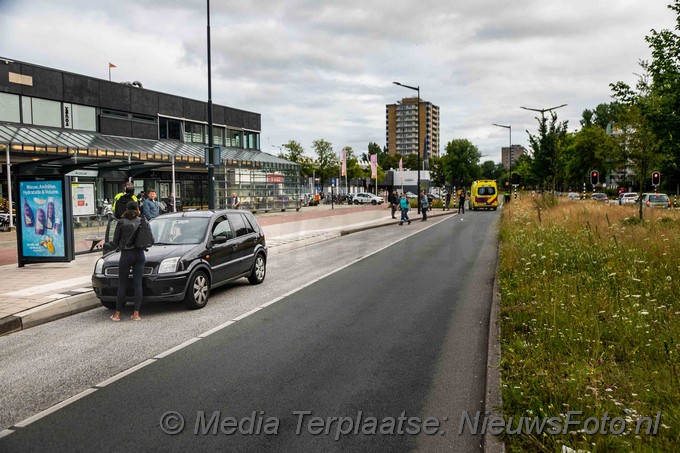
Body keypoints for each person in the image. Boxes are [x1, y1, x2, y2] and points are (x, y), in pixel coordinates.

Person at [110, 201, 145, 322]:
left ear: (126, 209)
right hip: (140, 254)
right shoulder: (142, 221)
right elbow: (150, 238)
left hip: (126, 255)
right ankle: (136, 314)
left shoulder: (121, 222)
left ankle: (117, 314)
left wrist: (110, 245)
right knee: (138, 284)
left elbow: (115, 242)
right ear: (137, 209)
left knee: (122, 284)